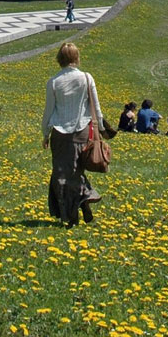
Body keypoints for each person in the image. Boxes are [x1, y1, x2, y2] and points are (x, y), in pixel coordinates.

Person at [40, 42, 104, 227]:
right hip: (83, 130)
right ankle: (83, 201)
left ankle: (71, 214)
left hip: (60, 133)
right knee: (76, 170)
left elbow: (48, 111)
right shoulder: (86, 77)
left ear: (59, 59)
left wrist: (45, 133)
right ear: (76, 57)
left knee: (61, 174)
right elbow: (96, 107)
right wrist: (99, 128)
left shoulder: (53, 82)